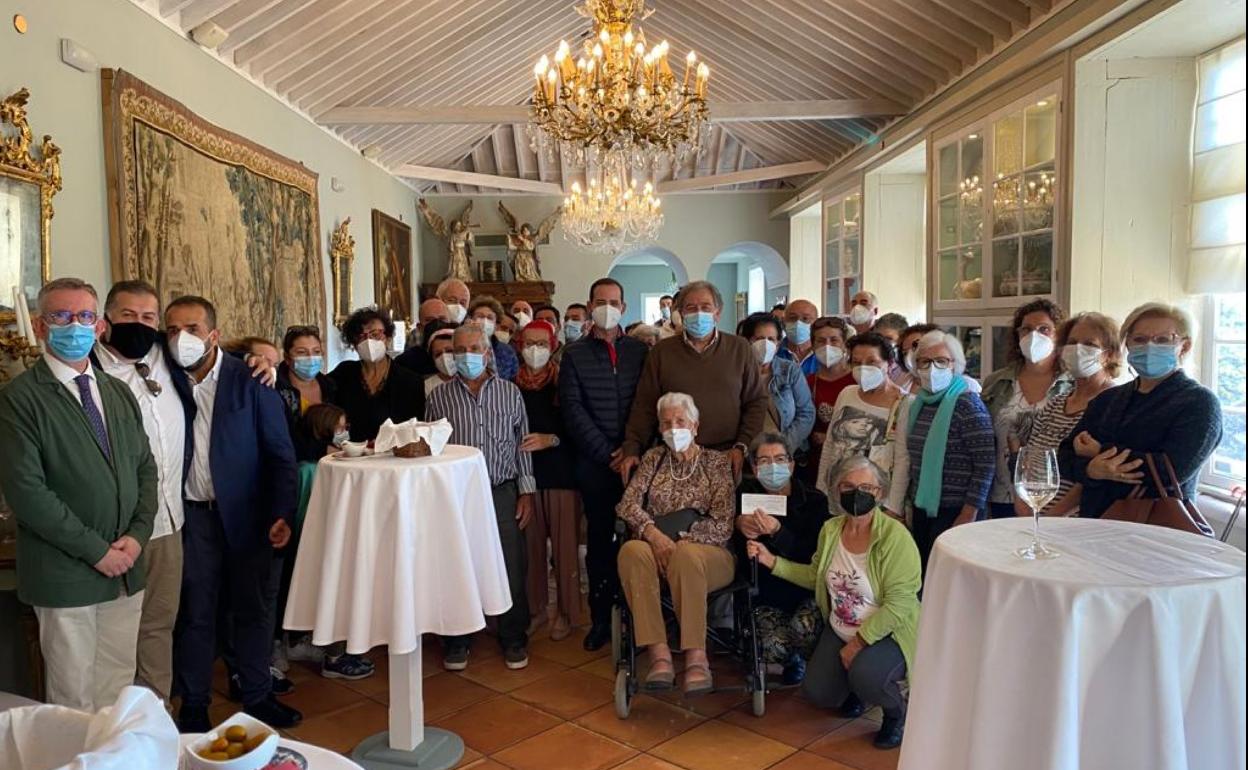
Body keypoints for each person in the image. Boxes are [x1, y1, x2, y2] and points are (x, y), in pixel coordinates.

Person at [0, 278, 157, 711]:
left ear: (100, 326)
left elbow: (146, 469)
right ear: (40, 325)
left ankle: (112, 750)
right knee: (73, 698)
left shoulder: (117, 392)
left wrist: (137, 537)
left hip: (125, 567)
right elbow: (27, 492)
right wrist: (96, 551)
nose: (75, 325)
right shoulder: (19, 399)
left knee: (118, 689)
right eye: (61, 316)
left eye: (85, 316)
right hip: (66, 573)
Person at [164, 295, 301, 731]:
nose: (181, 338)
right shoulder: (163, 378)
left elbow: (281, 456)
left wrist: (282, 513)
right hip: (192, 516)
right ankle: (194, 704)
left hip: (248, 515)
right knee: (196, 612)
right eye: (172, 330)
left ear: (213, 335)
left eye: (192, 329)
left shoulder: (252, 379)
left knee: (252, 609)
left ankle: (258, 695)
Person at [748, 456, 920, 751]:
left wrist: (859, 643)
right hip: (841, 627)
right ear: (837, 491)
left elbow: (900, 604)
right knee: (818, 693)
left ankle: (895, 714)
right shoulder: (831, 530)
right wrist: (773, 562)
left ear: (880, 492)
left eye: (866, 488)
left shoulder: (896, 538)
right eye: (848, 487)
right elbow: (816, 575)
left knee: (868, 675)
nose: (857, 494)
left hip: (887, 632)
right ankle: (857, 689)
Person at [90, 280, 185, 706]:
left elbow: (218, 356)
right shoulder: (86, 369)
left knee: (158, 626)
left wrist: (263, 358)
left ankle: (156, 716)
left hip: (169, 521)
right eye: (128, 315)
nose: (139, 325)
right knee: (114, 633)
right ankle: (114, 724)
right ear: (106, 321)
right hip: (116, 528)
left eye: (148, 317)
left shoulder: (169, 356)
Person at [426, 324, 535, 670]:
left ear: (487, 354)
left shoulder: (510, 392)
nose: (467, 356)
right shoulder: (438, 397)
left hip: (501, 489)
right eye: (459, 350)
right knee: (457, 565)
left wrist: (526, 491)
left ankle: (513, 637)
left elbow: (522, 443)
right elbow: (431, 449)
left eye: (474, 349)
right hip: (456, 494)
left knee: (511, 565)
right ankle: (457, 640)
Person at [617, 393, 735, 696]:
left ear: (695, 426)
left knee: (686, 555)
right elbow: (627, 504)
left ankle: (697, 656)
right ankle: (659, 654)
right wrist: (654, 536)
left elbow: (723, 522)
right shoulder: (653, 459)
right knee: (631, 551)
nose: (673, 428)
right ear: (659, 428)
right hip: (657, 549)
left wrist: (680, 541)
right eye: (667, 423)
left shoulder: (715, 462)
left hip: (709, 553)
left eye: (680, 421)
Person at [1063, 302, 1223, 519]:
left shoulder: (1199, 403)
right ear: (1127, 343)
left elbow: (1172, 471)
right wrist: (1091, 469)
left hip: (1159, 527)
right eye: (1139, 339)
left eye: (1162, 340)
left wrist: (1100, 451)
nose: (1149, 347)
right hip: (1095, 522)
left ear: (1184, 346)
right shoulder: (1107, 399)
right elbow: (1065, 457)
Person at [558, 277, 649, 651]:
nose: (607, 308)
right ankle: (601, 619)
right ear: (589, 306)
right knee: (600, 542)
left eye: (614, 302)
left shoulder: (640, 351)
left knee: (640, 540)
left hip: (637, 462)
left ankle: (641, 619)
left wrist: (631, 448)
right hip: (596, 465)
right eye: (600, 302)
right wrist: (606, 453)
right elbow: (572, 408)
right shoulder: (574, 354)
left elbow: (646, 403)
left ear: (623, 308)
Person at [621, 280, 768, 483]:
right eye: (691, 308)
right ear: (681, 314)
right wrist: (632, 448)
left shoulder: (740, 348)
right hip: (675, 457)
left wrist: (742, 446)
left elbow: (756, 401)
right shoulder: (661, 352)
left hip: (727, 456)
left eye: (706, 307)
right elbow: (645, 405)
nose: (699, 313)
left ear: (718, 312)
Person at [736, 433, 829, 685]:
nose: (773, 467)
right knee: (768, 646)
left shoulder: (815, 501)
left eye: (779, 459)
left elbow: (814, 556)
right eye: (764, 461)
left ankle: (817, 665)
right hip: (765, 594)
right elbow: (737, 553)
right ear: (754, 468)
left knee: (804, 629)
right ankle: (791, 661)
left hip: (804, 589)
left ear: (791, 464)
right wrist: (739, 524)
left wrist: (778, 532)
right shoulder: (744, 496)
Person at [903, 330, 995, 572]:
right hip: (924, 507)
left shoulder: (967, 404)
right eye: (925, 361)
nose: (932, 368)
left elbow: (985, 465)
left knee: (948, 576)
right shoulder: (920, 403)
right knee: (924, 573)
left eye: (941, 361)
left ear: (955, 364)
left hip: (957, 511)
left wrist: (969, 513)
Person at [514, 320, 582, 641]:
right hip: (525, 476)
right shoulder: (511, 386)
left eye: (542, 343)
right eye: (529, 343)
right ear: (519, 346)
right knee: (531, 550)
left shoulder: (565, 382)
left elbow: (579, 429)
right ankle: (536, 609)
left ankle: (567, 612)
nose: (535, 350)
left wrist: (550, 439)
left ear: (553, 346)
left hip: (562, 475)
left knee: (566, 550)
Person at [1017, 313, 1120, 517]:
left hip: (1077, 520)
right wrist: (1025, 508)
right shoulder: (1056, 402)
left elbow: (1096, 472)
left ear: (1108, 354)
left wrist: (1053, 516)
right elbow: (1030, 457)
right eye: (1072, 342)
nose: (1078, 350)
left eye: (1089, 344)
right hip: (1034, 513)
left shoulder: (1114, 404)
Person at [981, 300, 1073, 519]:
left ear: (1059, 335)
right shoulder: (996, 382)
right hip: (1003, 493)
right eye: (1026, 329)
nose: (1034, 335)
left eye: (1044, 329)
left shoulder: (1073, 383)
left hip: (1055, 496)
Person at [815, 333, 908, 518]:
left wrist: (893, 507)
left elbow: (902, 460)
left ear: (889, 364)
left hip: (875, 499)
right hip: (838, 493)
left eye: (872, 362)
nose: (863, 368)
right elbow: (830, 444)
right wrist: (821, 488)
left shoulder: (904, 403)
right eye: (857, 363)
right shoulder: (847, 393)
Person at [328, 307, 425, 441]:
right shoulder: (343, 374)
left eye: (375, 334)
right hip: (353, 451)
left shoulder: (410, 380)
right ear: (354, 345)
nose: (368, 341)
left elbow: (415, 428)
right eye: (361, 336)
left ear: (388, 338)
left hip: (394, 452)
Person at [740, 312, 815, 453]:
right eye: (759, 338)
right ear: (747, 341)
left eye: (771, 339)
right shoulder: (735, 372)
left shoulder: (790, 371)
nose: (765, 344)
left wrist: (782, 448)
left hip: (786, 451)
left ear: (778, 343)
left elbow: (806, 413)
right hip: (745, 451)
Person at [275, 325, 338, 459]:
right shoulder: (276, 390)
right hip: (291, 463)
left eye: (316, 351)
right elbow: (279, 437)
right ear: (287, 358)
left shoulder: (330, 386)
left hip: (331, 462)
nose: (311, 357)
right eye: (302, 352)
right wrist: (322, 450)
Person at [804, 317, 854, 483]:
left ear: (844, 344)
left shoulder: (857, 379)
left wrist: (831, 438)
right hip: (816, 464)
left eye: (834, 340)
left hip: (852, 464)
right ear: (812, 346)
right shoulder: (808, 382)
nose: (827, 346)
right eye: (821, 341)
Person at [468, 296, 520, 380]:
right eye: (480, 316)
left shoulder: (507, 352)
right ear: (470, 320)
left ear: (496, 325)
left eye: (490, 318)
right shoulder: (462, 347)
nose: (485, 321)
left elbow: (513, 379)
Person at [396, 297, 452, 375]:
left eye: (442, 319)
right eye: (429, 320)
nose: (437, 323)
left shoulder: (461, 354)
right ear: (419, 327)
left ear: (450, 322)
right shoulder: (406, 361)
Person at [775, 298, 818, 373]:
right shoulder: (774, 352)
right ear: (784, 322)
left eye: (805, 318)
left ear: (816, 322)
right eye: (792, 318)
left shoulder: (823, 353)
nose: (798, 323)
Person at [423, 325, 458, 397]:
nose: (444, 357)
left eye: (449, 351)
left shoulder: (473, 381)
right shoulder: (427, 386)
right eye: (438, 354)